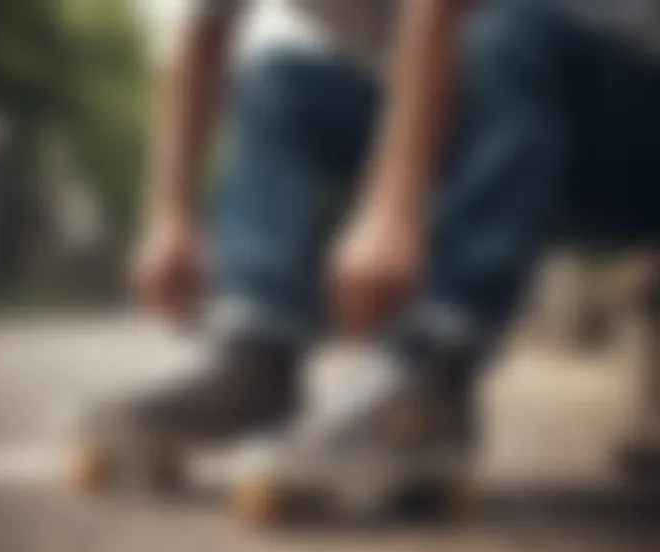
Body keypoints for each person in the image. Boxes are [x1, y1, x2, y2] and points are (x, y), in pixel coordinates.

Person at [120, 0, 660, 486]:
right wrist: (168, 215)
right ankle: (256, 354)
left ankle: (437, 362)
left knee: (510, 30)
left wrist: (391, 207)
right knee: (277, 85)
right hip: (485, 111)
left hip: (625, 125)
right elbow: (204, 32)